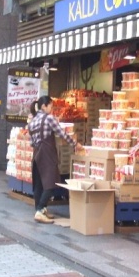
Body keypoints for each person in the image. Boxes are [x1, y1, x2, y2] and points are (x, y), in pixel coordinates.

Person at [28, 96, 82, 224]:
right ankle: (40, 211)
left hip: (36, 154)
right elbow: (61, 134)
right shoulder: (49, 119)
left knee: (39, 185)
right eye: (51, 106)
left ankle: (41, 209)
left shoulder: (33, 121)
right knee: (51, 183)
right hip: (47, 155)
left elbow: (31, 142)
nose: (52, 109)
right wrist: (75, 144)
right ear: (44, 106)